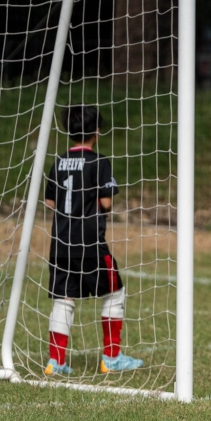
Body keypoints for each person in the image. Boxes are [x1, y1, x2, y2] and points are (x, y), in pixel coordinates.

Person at [43, 105, 144, 376]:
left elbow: (50, 201)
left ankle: (56, 362)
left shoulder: (59, 161)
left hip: (60, 244)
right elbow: (106, 202)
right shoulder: (99, 162)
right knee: (115, 292)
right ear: (97, 131)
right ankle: (111, 357)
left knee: (63, 299)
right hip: (90, 243)